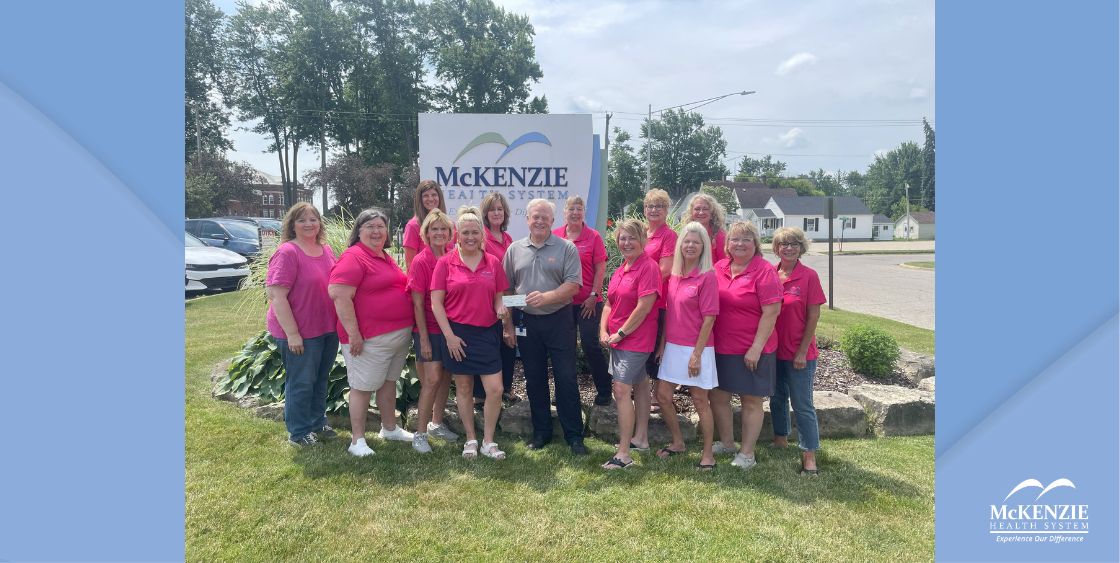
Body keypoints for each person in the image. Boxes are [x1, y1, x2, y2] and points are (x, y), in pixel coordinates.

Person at [502, 198, 588, 455]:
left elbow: (573, 285)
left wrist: (547, 297)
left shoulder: (566, 248)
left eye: (545, 217)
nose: (539, 221)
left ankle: (574, 436)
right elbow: (507, 290)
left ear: (553, 221)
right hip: (527, 322)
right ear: (527, 219)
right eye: (535, 217)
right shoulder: (514, 250)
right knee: (534, 379)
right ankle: (542, 432)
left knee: (566, 378)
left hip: (559, 320)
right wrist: (508, 325)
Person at [328, 209, 415, 457]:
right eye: (370, 226)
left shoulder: (382, 256)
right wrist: (353, 333)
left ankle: (389, 428)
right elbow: (339, 294)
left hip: (395, 336)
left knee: (389, 383)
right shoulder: (353, 257)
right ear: (358, 231)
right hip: (368, 339)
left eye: (381, 226)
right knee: (362, 387)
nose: (376, 231)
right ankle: (357, 440)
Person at [431, 207, 515, 460]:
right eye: (465, 232)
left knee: (495, 389)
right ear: (457, 235)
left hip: (487, 333)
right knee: (465, 388)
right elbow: (436, 304)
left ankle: (488, 441)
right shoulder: (446, 263)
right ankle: (471, 438)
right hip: (458, 335)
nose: (470, 237)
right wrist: (449, 336)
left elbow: (500, 299)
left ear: (482, 235)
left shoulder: (493, 262)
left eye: (475, 232)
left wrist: (502, 311)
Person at [709, 221, 783, 470]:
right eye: (734, 239)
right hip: (720, 346)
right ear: (727, 244)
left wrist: (756, 348)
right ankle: (728, 443)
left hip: (752, 348)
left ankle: (747, 454)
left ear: (755, 244)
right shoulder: (719, 267)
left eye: (746, 239)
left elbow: (771, 312)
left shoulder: (764, 271)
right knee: (718, 396)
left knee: (751, 400)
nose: (739, 244)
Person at [265, 202, 339, 447]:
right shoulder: (288, 252)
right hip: (299, 331)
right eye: (302, 220)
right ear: (292, 225)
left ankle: (318, 422)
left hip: (326, 327)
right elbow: (276, 296)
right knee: (301, 381)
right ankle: (298, 433)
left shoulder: (325, 249)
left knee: (320, 378)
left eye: (313, 219)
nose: (309, 224)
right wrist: (293, 333)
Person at [653, 222, 720, 469]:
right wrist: (662, 345)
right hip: (673, 346)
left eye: (696, 242)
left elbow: (710, 317)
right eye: (687, 241)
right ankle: (678, 442)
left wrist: (697, 354)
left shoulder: (707, 277)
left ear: (703, 247)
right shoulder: (675, 277)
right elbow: (670, 314)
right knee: (662, 395)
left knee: (700, 399)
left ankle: (707, 454)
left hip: (697, 348)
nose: (690, 245)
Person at [599, 219, 660, 470]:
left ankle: (623, 454)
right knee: (641, 384)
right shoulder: (622, 268)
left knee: (622, 390)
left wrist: (621, 333)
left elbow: (644, 306)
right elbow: (609, 303)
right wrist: (603, 329)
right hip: (618, 338)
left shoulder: (649, 267)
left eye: (632, 238)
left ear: (643, 240)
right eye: (622, 238)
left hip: (635, 339)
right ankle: (641, 439)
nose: (626, 243)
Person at [770, 227, 826, 475]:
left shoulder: (809, 276)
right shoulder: (770, 274)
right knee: (777, 398)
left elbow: (814, 315)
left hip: (799, 354)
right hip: (773, 352)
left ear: (801, 247)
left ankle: (809, 453)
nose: (789, 248)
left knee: (802, 404)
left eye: (794, 244)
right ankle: (780, 439)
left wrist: (802, 351)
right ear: (776, 248)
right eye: (784, 244)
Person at [406, 209, 461, 453]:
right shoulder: (421, 260)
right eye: (434, 229)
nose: (439, 233)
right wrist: (424, 338)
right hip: (428, 328)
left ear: (450, 233)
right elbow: (418, 303)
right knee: (432, 380)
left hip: (450, 328)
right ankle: (420, 433)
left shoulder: (453, 256)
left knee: (446, 377)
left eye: (443, 229)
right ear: (426, 233)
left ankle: (437, 423)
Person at [554, 195, 611, 406]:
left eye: (579, 209)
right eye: (572, 209)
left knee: (590, 344)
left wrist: (594, 295)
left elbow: (600, 268)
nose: (575, 213)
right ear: (565, 213)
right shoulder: (556, 236)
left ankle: (605, 389)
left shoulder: (593, 236)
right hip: (563, 303)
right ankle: (564, 391)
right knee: (563, 347)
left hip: (589, 302)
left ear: (583, 212)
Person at [632, 188, 676, 449]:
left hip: (658, 301)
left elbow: (666, 269)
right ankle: (645, 395)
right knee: (642, 349)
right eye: (650, 206)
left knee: (657, 350)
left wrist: (641, 286)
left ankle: (658, 399)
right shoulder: (641, 232)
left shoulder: (669, 236)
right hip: (637, 299)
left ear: (667, 210)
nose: (654, 210)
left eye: (659, 206)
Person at [477, 191, 517, 405]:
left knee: (509, 342)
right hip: (489, 300)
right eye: (492, 209)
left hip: (508, 297)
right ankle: (482, 395)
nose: (496, 213)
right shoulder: (481, 237)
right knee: (490, 344)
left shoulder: (508, 238)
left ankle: (506, 389)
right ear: (485, 213)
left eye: (500, 209)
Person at [402, 179, 448, 268]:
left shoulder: (449, 224)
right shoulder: (413, 226)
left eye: (434, 195)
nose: (430, 199)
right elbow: (410, 265)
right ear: (420, 199)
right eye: (426, 196)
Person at [681, 192, 728, 263]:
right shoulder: (685, 233)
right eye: (697, 209)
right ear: (691, 213)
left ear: (712, 213)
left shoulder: (720, 236)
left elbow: (724, 263)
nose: (701, 212)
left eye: (705, 209)